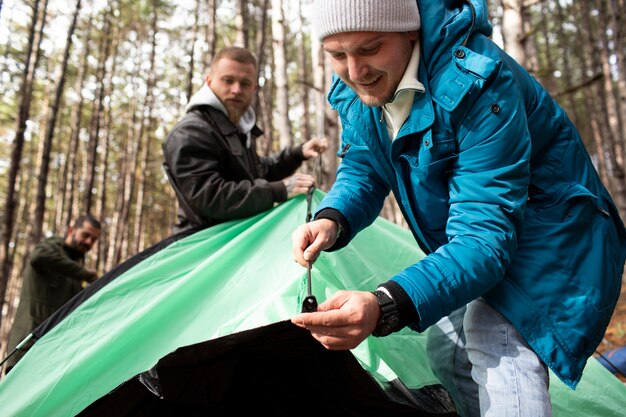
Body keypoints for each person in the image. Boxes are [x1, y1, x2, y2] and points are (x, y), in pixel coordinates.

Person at [291, 1, 626, 416]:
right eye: (338, 55)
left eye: (371, 48)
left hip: (554, 234)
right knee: (446, 346)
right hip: (480, 235)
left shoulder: (480, 83)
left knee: (495, 336)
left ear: (410, 32)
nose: (356, 71)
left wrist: (383, 304)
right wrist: (332, 217)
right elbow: (364, 161)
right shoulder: (360, 92)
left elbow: (484, 240)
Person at [162, 46, 328, 233]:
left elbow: (257, 170)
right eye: (228, 81)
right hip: (203, 247)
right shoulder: (191, 131)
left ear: (254, 88)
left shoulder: (236, 127)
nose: (236, 90)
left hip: (236, 240)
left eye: (245, 83)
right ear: (208, 81)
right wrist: (279, 190)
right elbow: (209, 196)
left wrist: (297, 153)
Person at [4, 214, 101, 374]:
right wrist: (87, 275)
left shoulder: (74, 267)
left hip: (52, 354)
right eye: (85, 235)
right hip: (27, 349)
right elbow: (39, 256)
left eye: (93, 239)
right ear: (71, 230)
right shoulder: (53, 247)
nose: (89, 242)